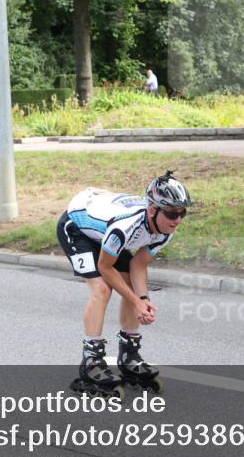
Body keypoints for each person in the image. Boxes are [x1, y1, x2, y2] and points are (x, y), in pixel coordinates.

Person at [56, 170, 191, 396]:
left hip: (103, 230)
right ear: (152, 210)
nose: (177, 220)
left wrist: (143, 300)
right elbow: (105, 267)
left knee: (129, 283)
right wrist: (135, 301)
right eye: (171, 214)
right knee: (102, 289)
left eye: (182, 213)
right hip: (76, 226)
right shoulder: (126, 227)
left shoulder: (166, 229)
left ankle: (129, 356)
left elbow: (138, 265)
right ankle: (91, 362)